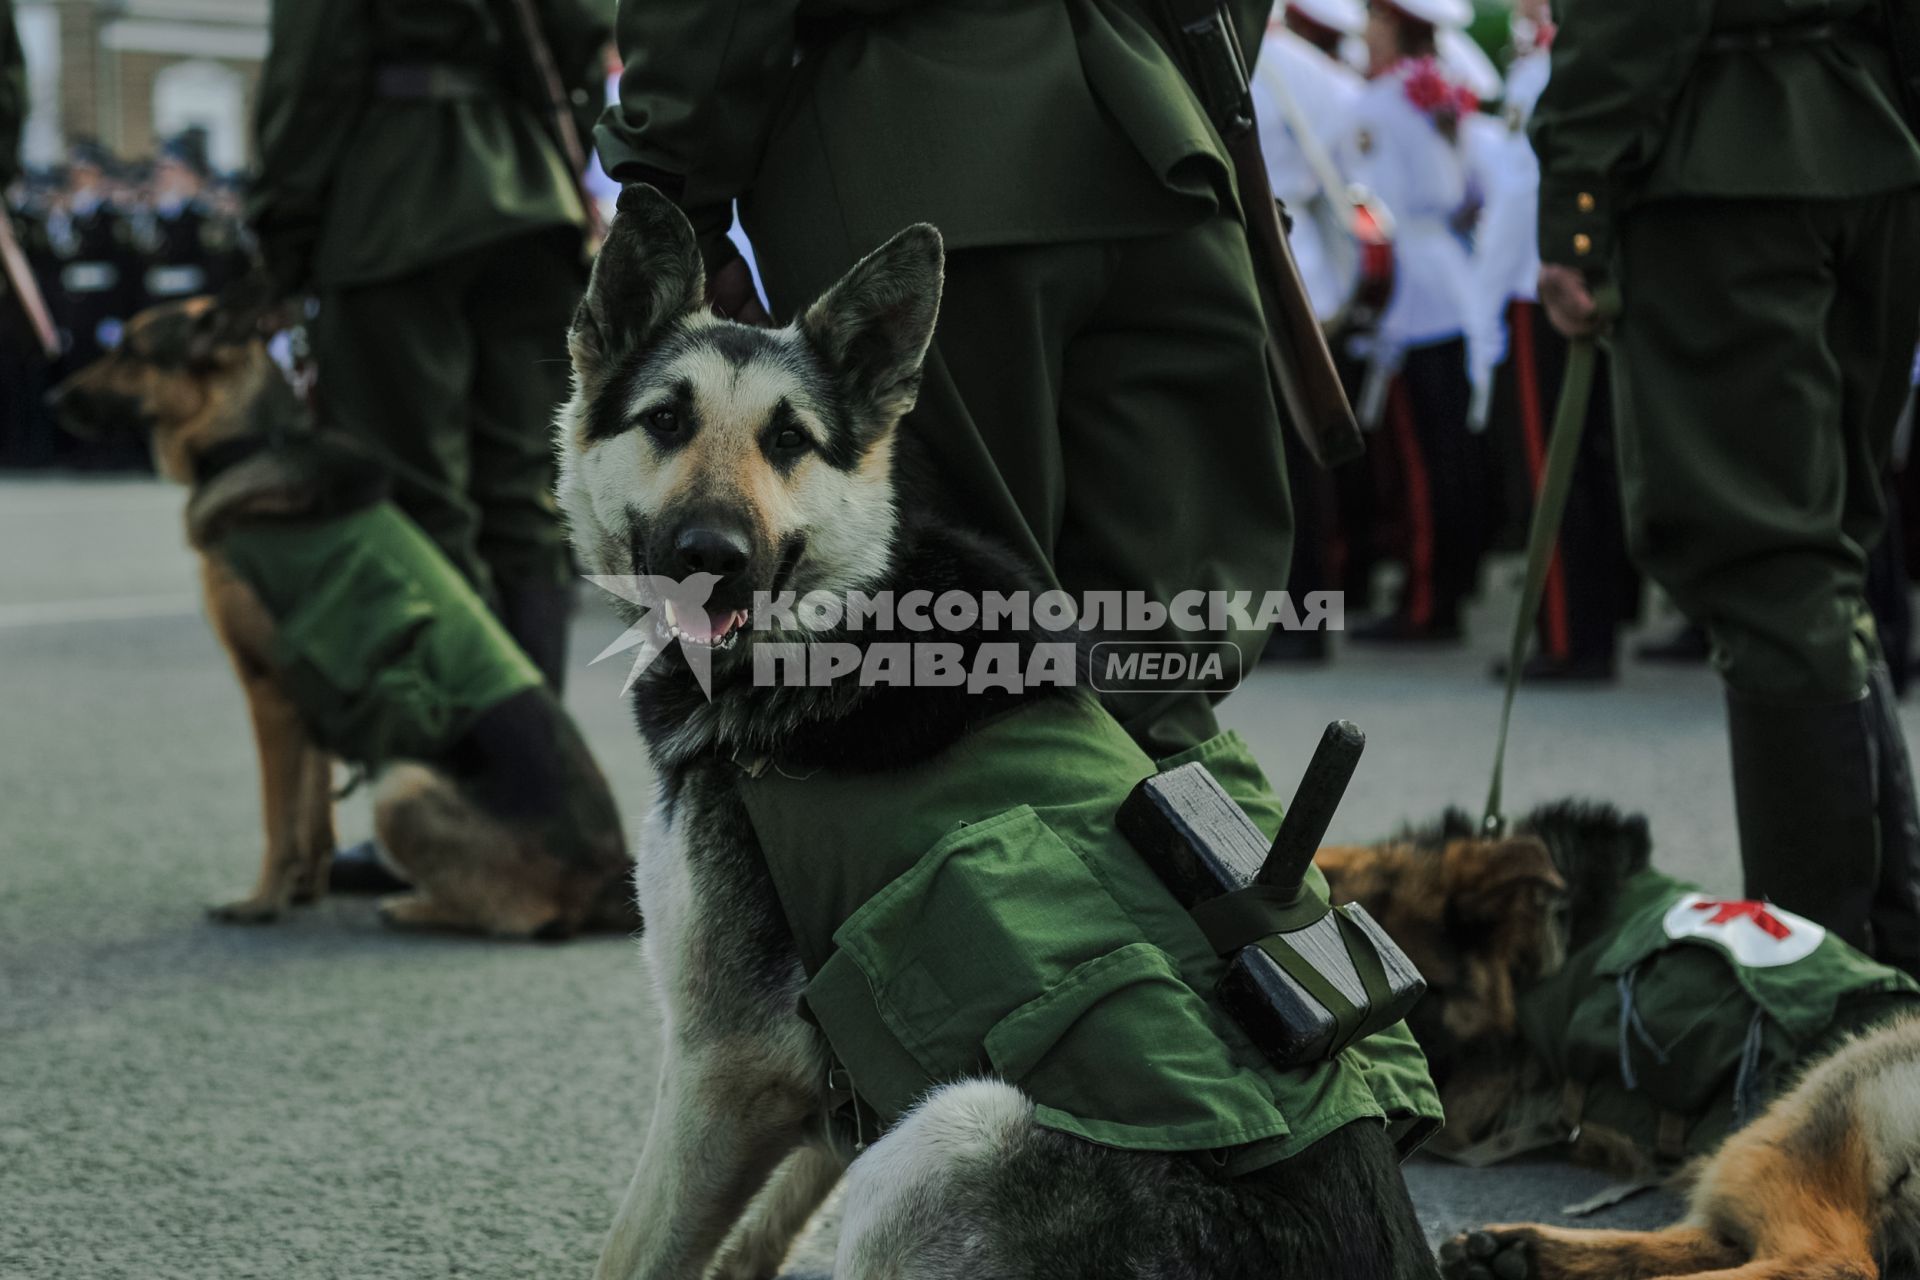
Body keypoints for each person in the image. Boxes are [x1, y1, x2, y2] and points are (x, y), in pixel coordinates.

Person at [1532, 0, 1920, 972]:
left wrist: (1577, 199)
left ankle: (1823, 993)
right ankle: (1888, 950)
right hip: (1875, 143)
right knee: (1822, 557)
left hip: (1728, 160)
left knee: (1771, 571)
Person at [249, 0, 611, 693]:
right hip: (531, 202)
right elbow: (584, 34)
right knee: (524, 490)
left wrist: (284, 228)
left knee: (418, 494)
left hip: (392, 201)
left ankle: (469, 743)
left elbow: (312, 69)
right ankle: (538, 742)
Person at [1470, 0, 1636, 682]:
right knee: (1592, 463)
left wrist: (1486, 304)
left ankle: (1569, 636)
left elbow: (1514, 203)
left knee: (1554, 469)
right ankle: (1598, 618)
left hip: (1535, 286)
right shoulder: (1571, 64)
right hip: (1570, 279)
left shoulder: (1545, 71)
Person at [1344, 0, 1488, 643]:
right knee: (1449, 449)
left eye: (1374, 19)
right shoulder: (1442, 92)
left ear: (1394, 25)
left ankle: (1427, 602)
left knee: (1420, 460)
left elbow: (1367, 211)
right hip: (1451, 279)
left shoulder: (1376, 104)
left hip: (1409, 289)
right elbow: (1476, 192)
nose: (1366, 33)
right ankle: (1446, 587)